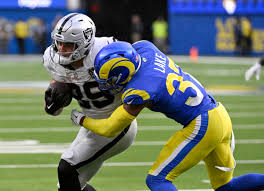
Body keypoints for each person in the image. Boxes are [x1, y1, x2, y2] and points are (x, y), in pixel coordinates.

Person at [71, 41, 264, 191]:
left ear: (122, 74)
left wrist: (81, 119)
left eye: (109, 79)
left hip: (203, 123)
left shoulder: (139, 90)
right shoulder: (145, 49)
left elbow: (110, 128)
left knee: (157, 179)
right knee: (225, 188)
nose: (105, 84)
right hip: (220, 114)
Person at [43, 13, 137, 191]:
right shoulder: (52, 59)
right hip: (91, 125)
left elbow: (138, 71)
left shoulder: (107, 49)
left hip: (117, 125)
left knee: (66, 168)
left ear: (85, 41)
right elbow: (54, 107)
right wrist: (53, 101)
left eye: (68, 44)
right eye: (59, 43)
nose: (61, 49)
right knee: (70, 184)